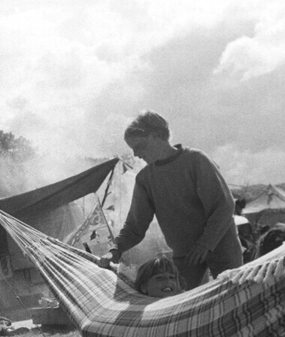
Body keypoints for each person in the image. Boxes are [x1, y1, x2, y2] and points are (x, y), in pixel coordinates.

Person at [97, 111, 243, 288]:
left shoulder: (196, 160)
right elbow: (135, 226)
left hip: (221, 245)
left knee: (232, 293)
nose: (136, 154)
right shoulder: (145, 179)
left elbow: (223, 206)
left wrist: (205, 244)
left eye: (139, 146)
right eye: (132, 149)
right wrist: (116, 249)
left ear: (157, 136)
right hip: (186, 255)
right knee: (184, 303)